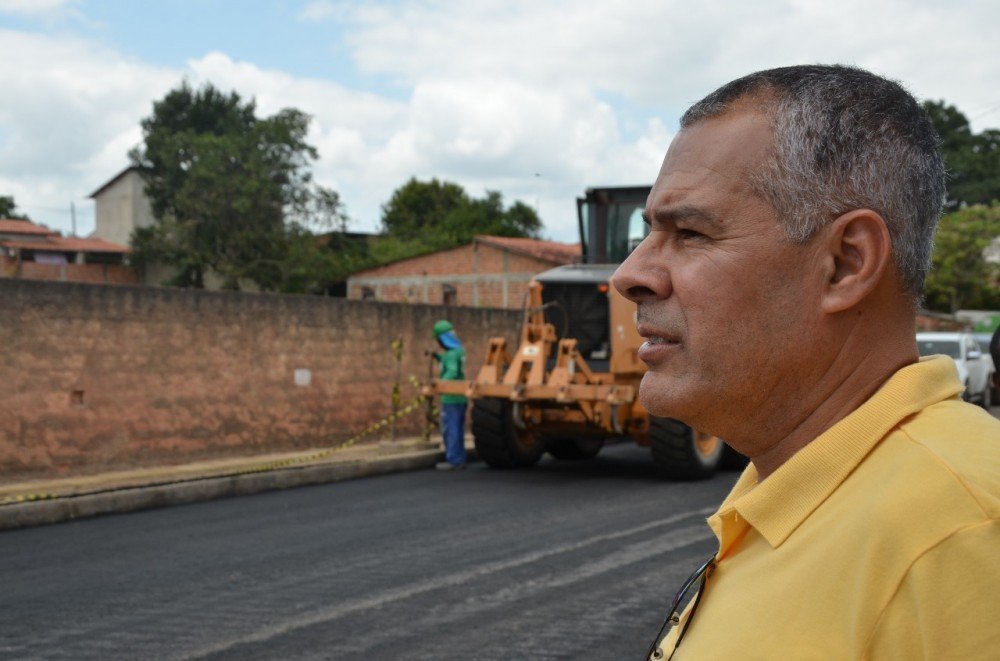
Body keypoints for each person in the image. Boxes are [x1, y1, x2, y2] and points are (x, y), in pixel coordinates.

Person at [612, 65, 1000, 660]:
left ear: (845, 264)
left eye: (688, 232)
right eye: (648, 233)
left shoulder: (964, 537)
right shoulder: (790, 483)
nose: (630, 274)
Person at [432, 319, 468, 470]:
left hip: (451, 398)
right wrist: (436, 356)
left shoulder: (452, 355)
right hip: (461, 397)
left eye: (439, 340)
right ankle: (459, 458)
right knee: (458, 429)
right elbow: (449, 362)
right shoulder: (457, 351)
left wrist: (440, 384)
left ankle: (453, 460)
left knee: (450, 429)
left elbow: (452, 371)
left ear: (443, 339)